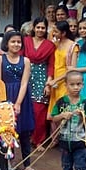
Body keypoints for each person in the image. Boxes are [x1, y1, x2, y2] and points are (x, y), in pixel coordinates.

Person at [0, 31, 38, 170]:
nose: (16, 44)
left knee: (24, 132)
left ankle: (27, 165)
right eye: (13, 41)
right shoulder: (0, 59)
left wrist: (18, 103)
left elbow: (25, 82)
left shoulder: (25, 61)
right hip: (5, 98)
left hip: (22, 97)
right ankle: (8, 163)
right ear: (7, 43)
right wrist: (1, 103)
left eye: (19, 42)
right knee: (7, 131)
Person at [51, 70, 86, 170]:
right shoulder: (61, 102)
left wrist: (83, 115)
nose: (76, 87)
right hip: (64, 141)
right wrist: (62, 115)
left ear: (83, 85)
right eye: (72, 84)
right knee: (66, 165)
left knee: (80, 166)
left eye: (79, 84)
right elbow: (53, 118)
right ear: (66, 85)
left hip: (80, 142)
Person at [23, 17, 55, 151]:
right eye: (38, 27)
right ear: (33, 28)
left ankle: (38, 141)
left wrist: (48, 83)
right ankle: (25, 137)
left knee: (39, 112)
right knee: (25, 109)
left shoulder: (50, 45)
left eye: (43, 28)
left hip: (41, 79)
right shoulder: (26, 41)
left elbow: (51, 65)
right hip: (26, 76)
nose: (40, 30)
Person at [47, 21, 79, 118]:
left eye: (56, 31)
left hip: (64, 82)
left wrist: (55, 80)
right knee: (53, 115)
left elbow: (72, 69)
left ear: (64, 33)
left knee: (63, 111)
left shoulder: (73, 46)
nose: (54, 33)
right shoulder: (56, 44)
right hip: (55, 82)